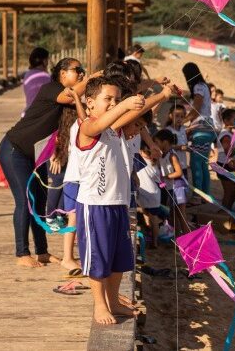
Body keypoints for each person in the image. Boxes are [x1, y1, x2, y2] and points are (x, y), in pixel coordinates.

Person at [75, 76, 174, 325]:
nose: (113, 103)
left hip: (118, 203)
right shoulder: (86, 127)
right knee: (98, 260)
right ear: (90, 102)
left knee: (120, 259)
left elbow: (134, 114)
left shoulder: (114, 129)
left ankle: (114, 301)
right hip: (95, 206)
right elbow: (108, 120)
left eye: (116, 99)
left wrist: (162, 96)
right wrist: (126, 103)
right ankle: (99, 305)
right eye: (107, 99)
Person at [0, 57, 91, 268]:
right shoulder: (52, 88)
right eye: (77, 70)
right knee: (24, 201)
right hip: (14, 150)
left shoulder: (68, 98)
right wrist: (92, 77)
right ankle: (22, 253)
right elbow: (71, 95)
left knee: (38, 203)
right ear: (62, 73)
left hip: (31, 155)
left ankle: (42, 252)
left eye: (82, 71)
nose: (81, 74)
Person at [46, 88, 86, 276]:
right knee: (74, 215)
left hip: (80, 175)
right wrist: (56, 154)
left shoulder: (76, 124)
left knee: (77, 215)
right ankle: (68, 257)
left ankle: (75, 255)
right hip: (77, 176)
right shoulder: (79, 125)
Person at [182, 62, 217, 196]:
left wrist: (182, 122)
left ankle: (197, 196)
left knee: (196, 164)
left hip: (201, 129)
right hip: (208, 127)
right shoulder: (204, 86)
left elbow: (196, 110)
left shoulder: (198, 87)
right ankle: (205, 194)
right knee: (203, 164)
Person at [134, 140, 167, 248]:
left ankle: (154, 241)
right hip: (152, 194)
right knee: (150, 216)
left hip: (147, 194)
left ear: (143, 152)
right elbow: (159, 181)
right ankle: (153, 240)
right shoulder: (154, 163)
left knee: (151, 217)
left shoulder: (140, 161)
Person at [154, 129, 187, 236]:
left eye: (157, 142)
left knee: (181, 215)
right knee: (173, 215)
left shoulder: (172, 155)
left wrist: (166, 176)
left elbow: (179, 172)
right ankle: (177, 238)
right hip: (171, 188)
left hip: (178, 186)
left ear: (165, 142)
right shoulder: (163, 155)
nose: (155, 145)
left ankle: (188, 237)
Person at [214, 108, 235, 209]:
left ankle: (227, 210)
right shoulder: (226, 136)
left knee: (234, 191)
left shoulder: (231, 134)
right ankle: (224, 212)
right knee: (230, 191)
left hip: (230, 165)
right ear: (226, 121)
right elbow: (228, 152)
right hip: (224, 166)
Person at [165, 104, 190, 184]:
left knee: (183, 187)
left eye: (182, 116)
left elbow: (185, 144)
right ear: (171, 116)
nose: (179, 119)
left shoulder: (183, 130)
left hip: (183, 165)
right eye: (177, 116)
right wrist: (178, 147)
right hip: (172, 166)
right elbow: (165, 147)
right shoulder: (167, 131)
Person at [22, 47, 51, 111]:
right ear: (44, 61)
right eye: (47, 60)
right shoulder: (46, 76)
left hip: (28, 112)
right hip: (41, 114)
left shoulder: (27, 74)